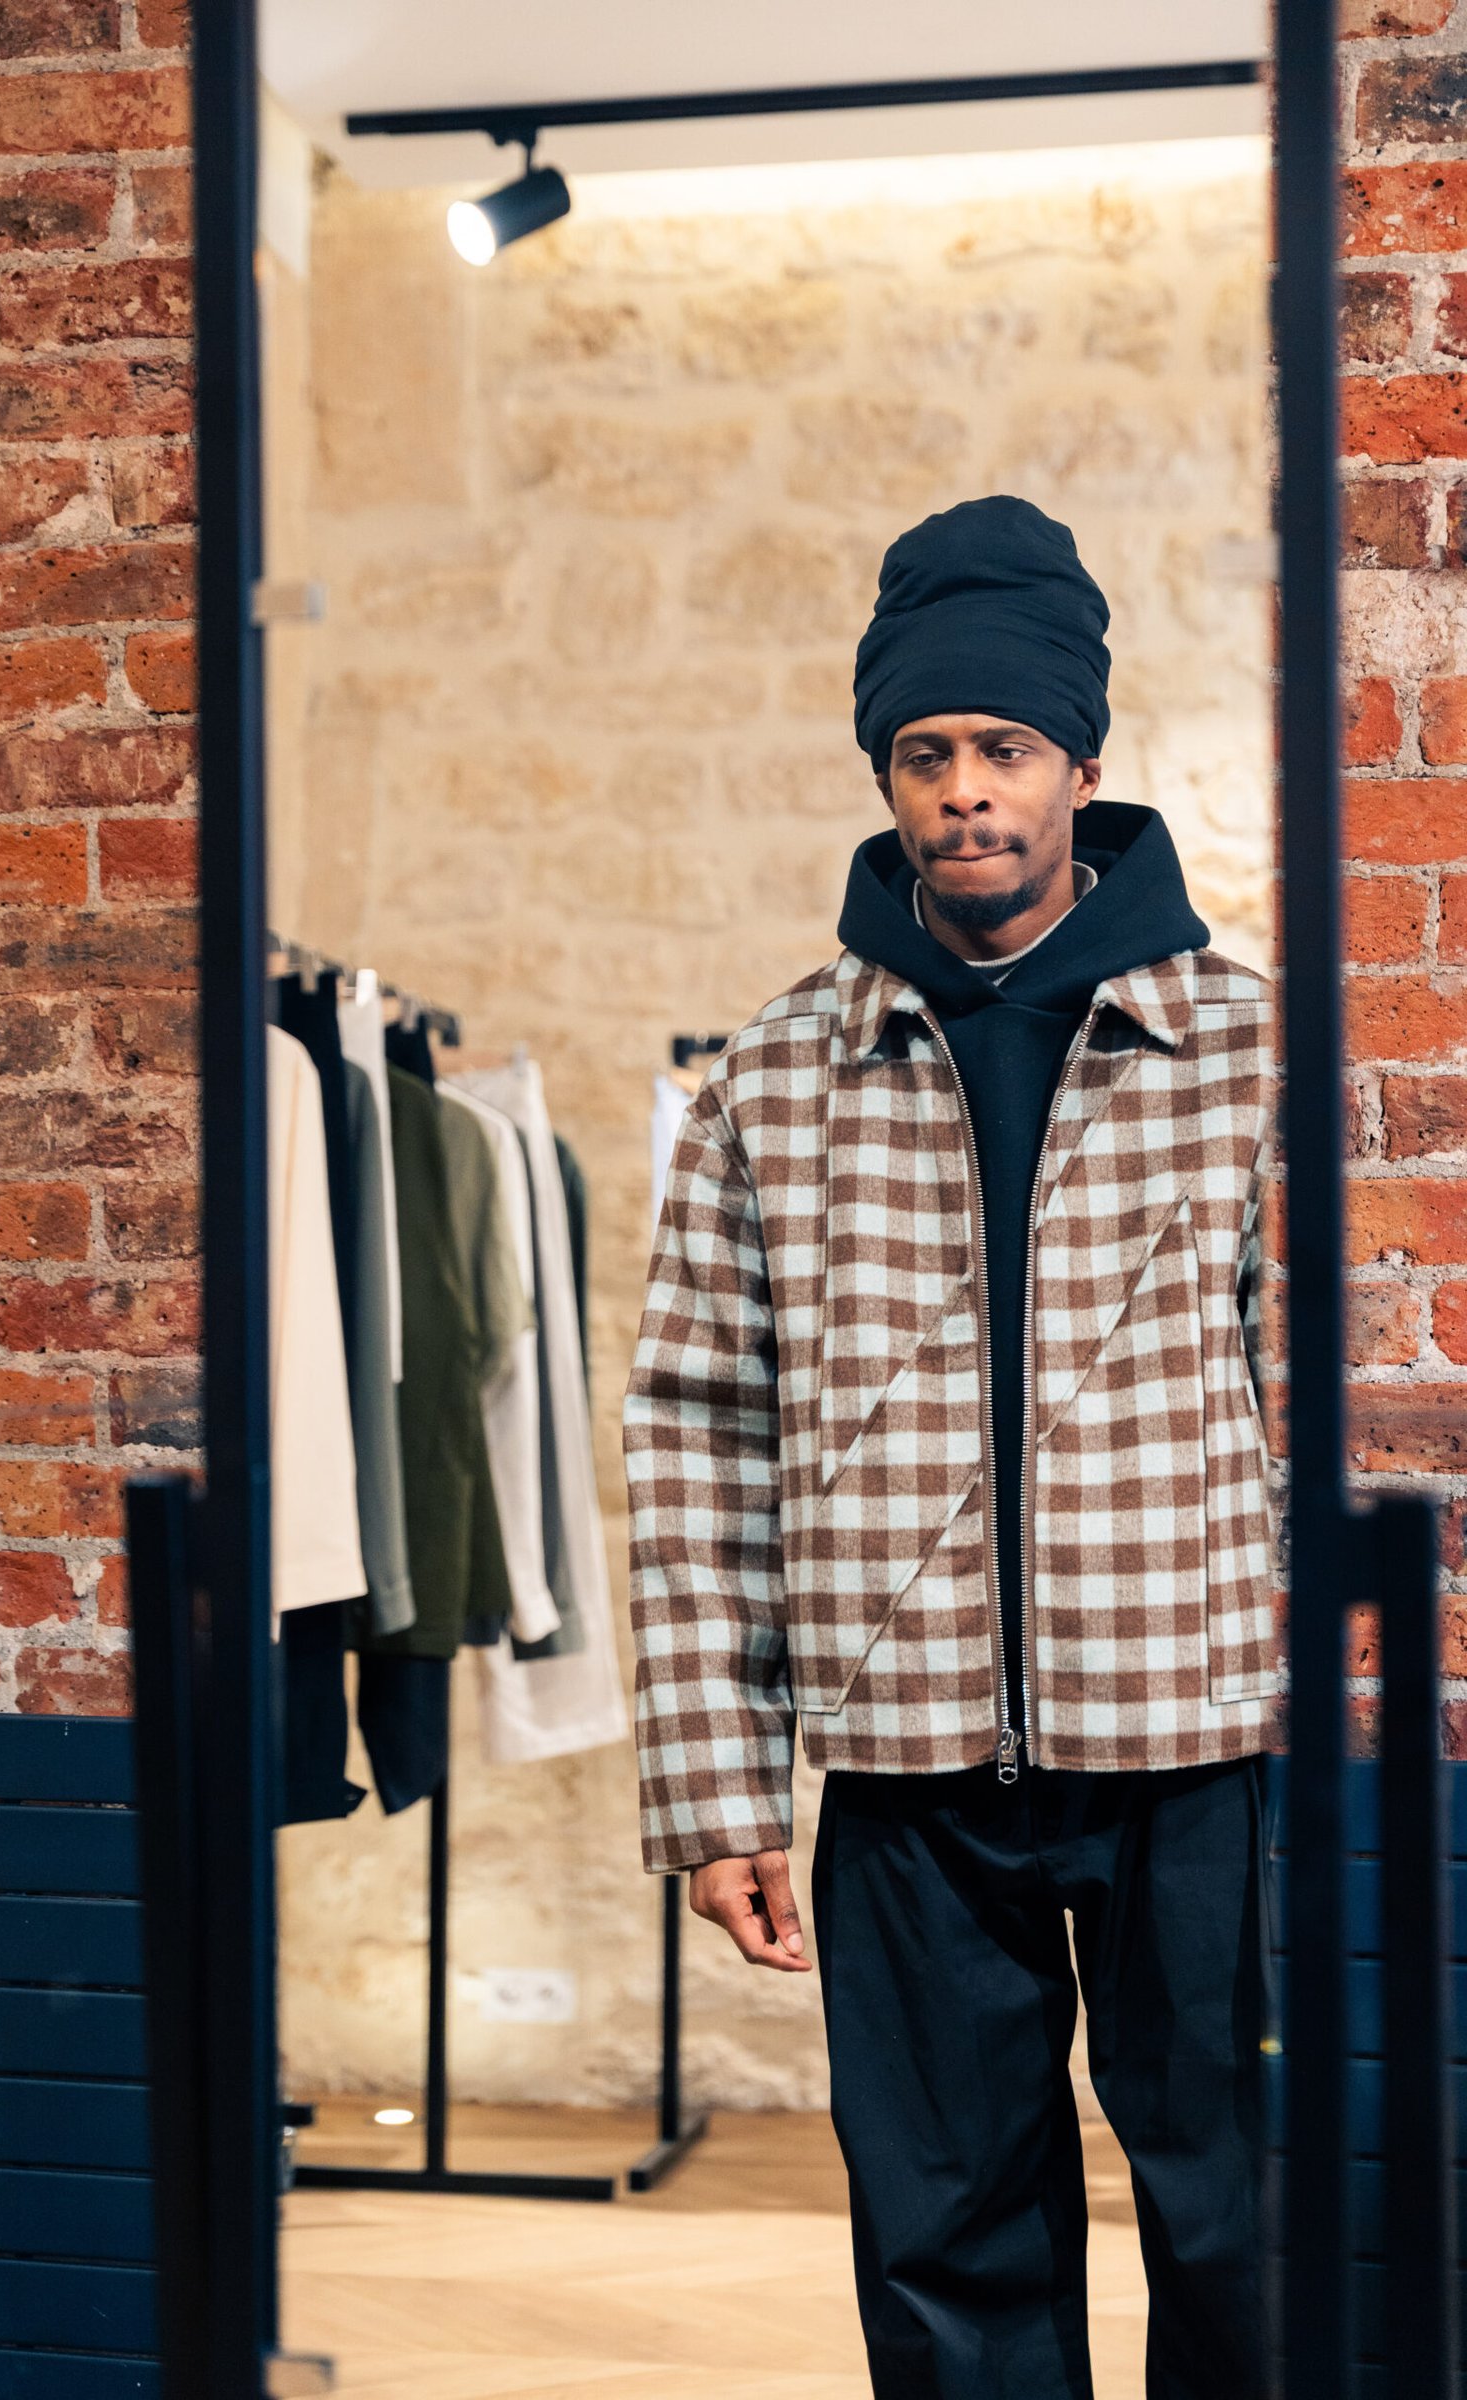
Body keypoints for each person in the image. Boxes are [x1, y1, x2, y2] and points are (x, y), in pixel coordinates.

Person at [625, 494, 1276, 2399]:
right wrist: (718, 1789)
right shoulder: (776, 1074)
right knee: (939, 2246)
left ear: (1082, 762)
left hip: (1197, 1750)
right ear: (885, 777)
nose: (966, 792)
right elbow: (695, 1431)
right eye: (926, 755)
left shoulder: (1251, 1054)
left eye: (1004, 748)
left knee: (1249, 2223)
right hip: (905, 1773)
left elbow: (1326, 1415)